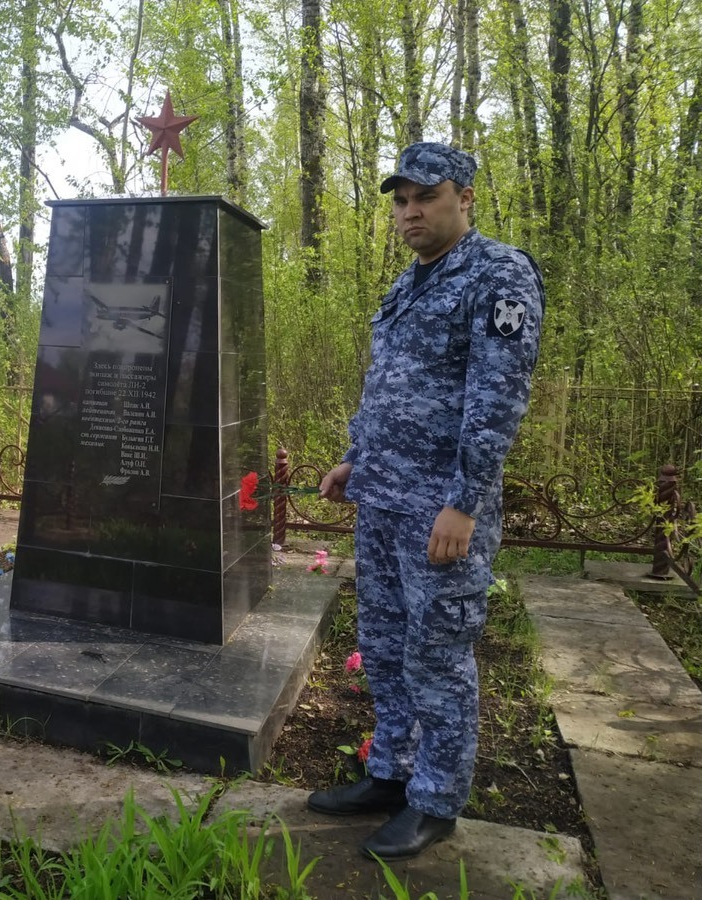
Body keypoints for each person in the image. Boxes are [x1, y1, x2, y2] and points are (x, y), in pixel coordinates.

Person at [310, 143, 544, 860]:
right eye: (401, 200)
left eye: (427, 197)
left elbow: (496, 398)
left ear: (465, 198)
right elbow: (386, 385)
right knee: (383, 646)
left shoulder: (497, 274)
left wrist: (466, 502)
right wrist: (354, 456)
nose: (411, 212)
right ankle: (391, 773)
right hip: (383, 501)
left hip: (439, 512)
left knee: (438, 655)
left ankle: (437, 800)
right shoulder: (408, 283)